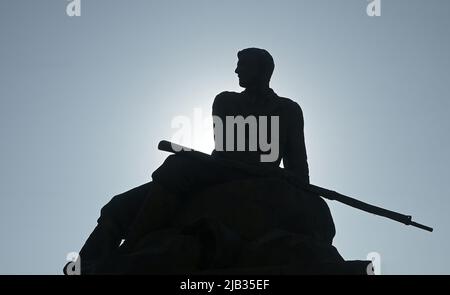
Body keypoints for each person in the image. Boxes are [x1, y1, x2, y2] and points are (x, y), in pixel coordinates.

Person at [68, 48, 316, 274]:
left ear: (261, 69)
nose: (236, 70)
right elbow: (229, 149)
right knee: (119, 206)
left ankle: (129, 249)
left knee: (177, 166)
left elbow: (298, 165)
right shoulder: (226, 100)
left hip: (250, 178)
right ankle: (81, 267)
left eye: (242, 64)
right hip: (221, 168)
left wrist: (290, 180)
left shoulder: (288, 109)